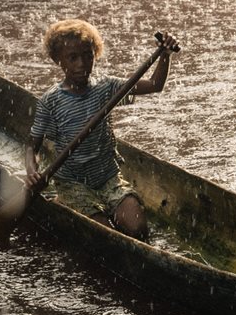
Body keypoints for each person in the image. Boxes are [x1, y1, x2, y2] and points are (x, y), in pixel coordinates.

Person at [26, 18, 177, 239]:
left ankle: (106, 206)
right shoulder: (51, 102)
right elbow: (32, 145)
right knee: (106, 235)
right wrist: (32, 173)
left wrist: (164, 55)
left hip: (108, 179)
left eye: (88, 56)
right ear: (59, 61)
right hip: (74, 185)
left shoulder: (107, 88)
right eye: (73, 58)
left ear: (95, 55)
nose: (81, 64)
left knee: (138, 230)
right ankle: (64, 202)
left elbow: (155, 85)